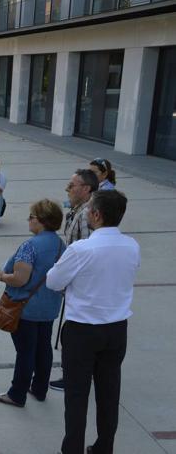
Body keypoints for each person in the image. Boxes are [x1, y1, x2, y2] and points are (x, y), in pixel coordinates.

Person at [47, 190, 139, 454]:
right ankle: (104, 447)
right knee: (109, 392)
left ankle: (72, 448)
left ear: (96, 215)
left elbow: (53, 282)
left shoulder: (81, 249)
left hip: (82, 331)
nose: (86, 213)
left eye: (89, 210)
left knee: (76, 395)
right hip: (117, 329)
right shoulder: (131, 245)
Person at [0, 199, 65, 407]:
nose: (29, 220)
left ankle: (17, 393)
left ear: (41, 220)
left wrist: (1, 276)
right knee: (44, 348)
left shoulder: (30, 246)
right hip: (49, 306)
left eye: (31, 216)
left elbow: (19, 279)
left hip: (26, 307)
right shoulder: (61, 244)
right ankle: (40, 388)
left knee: (25, 351)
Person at [49, 169, 99, 392]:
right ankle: (77, 374)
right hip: (75, 283)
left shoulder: (88, 214)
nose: (67, 189)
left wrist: (69, 279)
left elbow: (89, 253)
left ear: (87, 189)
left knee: (76, 334)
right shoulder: (78, 210)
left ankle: (76, 377)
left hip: (81, 286)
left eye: (72, 185)